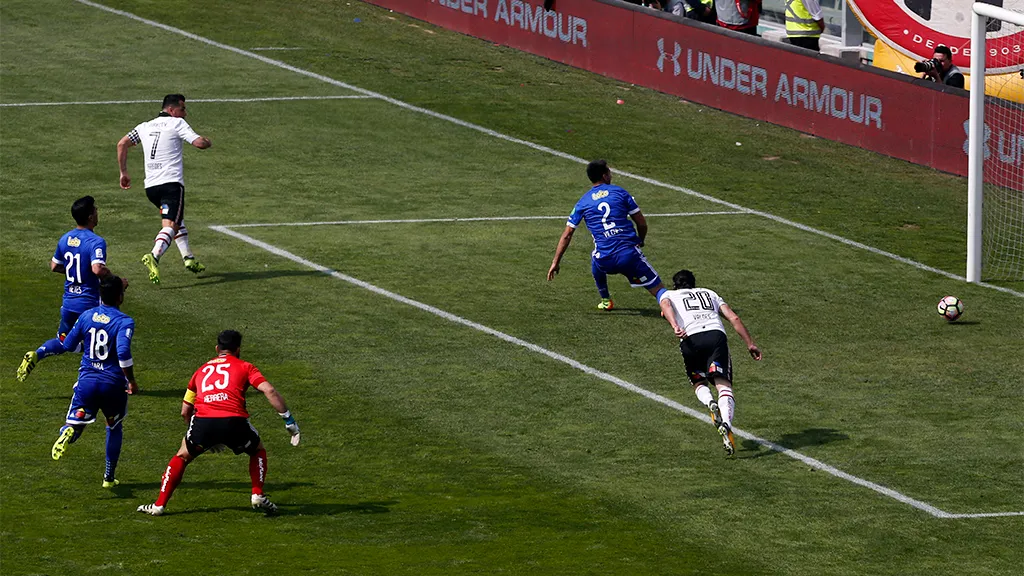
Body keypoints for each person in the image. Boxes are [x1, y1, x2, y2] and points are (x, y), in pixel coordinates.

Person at [137, 330, 300, 516]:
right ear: (238, 350)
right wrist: (289, 421)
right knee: (257, 450)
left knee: (182, 456)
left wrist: (202, 435)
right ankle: (257, 494)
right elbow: (269, 391)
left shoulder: (200, 370)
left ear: (217, 349)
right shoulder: (245, 366)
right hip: (234, 421)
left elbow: (185, 410)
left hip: (203, 422)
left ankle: (159, 505)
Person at [17, 196, 122, 382]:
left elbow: (54, 266)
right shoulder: (96, 241)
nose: (98, 212)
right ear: (90, 216)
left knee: (64, 341)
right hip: (89, 303)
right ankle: (116, 382)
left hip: (69, 303)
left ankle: (37, 354)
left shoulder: (65, 238)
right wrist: (115, 280)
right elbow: (97, 269)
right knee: (104, 340)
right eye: (95, 210)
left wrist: (75, 271)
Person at [658, 269, 761, 456]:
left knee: (698, 382)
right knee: (724, 386)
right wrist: (750, 344)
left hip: (690, 339)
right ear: (694, 283)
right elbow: (733, 317)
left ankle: (709, 402)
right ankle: (727, 424)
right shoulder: (709, 293)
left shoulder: (669, 295)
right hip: (715, 336)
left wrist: (675, 325)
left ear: (675, 285)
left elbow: (665, 306)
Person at [50, 275, 138, 488]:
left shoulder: (87, 316)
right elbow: (124, 353)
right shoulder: (124, 321)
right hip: (112, 385)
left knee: (77, 422)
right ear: (120, 297)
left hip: (87, 382)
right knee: (113, 426)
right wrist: (132, 381)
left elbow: (69, 345)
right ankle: (108, 477)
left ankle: (68, 432)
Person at [117, 94, 212, 285]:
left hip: (151, 188)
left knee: (176, 219)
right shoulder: (177, 124)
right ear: (172, 110)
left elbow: (122, 143)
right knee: (171, 225)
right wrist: (208, 141)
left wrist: (123, 173)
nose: (185, 114)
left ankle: (188, 258)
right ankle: (154, 255)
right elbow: (199, 143)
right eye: (183, 109)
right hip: (171, 185)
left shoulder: (144, 126)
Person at [547, 160, 666, 311]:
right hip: (628, 256)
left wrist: (555, 262)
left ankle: (605, 299)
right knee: (660, 292)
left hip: (605, 261)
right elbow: (642, 224)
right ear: (605, 176)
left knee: (595, 257)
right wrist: (640, 241)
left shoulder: (582, 202)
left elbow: (567, 235)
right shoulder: (620, 192)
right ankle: (673, 311)